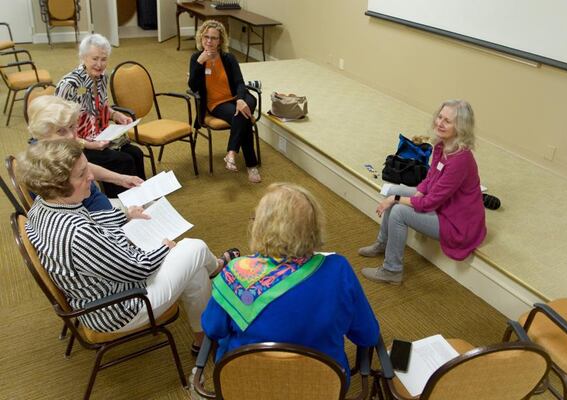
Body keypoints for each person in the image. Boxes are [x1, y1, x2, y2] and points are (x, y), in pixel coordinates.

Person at [17, 139, 237, 352]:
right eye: (83, 174)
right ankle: (216, 268)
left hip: (100, 288)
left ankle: (205, 338)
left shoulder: (43, 204)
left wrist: (125, 216)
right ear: (58, 185)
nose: (92, 176)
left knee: (194, 267)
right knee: (194, 247)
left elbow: (92, 223)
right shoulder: (77, 234)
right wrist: (165, 248)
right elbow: (137, 269)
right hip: (118, 308)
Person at [202, 183, 380, 383]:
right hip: (321, 387)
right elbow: (368, 335)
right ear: (314, 229)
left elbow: (212, 329)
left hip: (246, 385)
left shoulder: (235, 273)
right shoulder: (339, 270)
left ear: (261, 227)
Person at [360, 100, 486, 284]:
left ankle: (392, 270)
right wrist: (417, 193)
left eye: (447, 121)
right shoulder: (442, 146)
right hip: (444, 205)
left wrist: (397, 200)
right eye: (440, 117)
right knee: (394, 191)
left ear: (461, 127)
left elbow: (430, 203)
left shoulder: (461, 160)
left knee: (398, 210)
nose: (440, 123)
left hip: (457, 223)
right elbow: (429, 178)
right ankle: (383, 243)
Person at [56, 33, 146, 197]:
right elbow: (58, 131)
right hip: (78, 145)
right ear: (83, 57)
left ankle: (144, 198)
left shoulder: (102, 78)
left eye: (103, 59)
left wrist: (115, 114)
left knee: (136, 153)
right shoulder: (69, 85)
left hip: (101, 137)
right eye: (94, 59)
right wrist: (90, 145)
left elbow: (100, 107)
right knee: (122, 160)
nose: (99, 64)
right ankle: (123, 205)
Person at [27, 95, 142, 211]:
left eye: (72, 126)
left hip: (101, 205)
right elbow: (77, 218)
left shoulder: (56, 150)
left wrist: (121, 179)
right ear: (42, 135)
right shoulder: (44, 171)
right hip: (97, 218)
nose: (71, 135)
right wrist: (122, 217)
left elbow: (84, 167)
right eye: (61, 131)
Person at [188, 20, 261, 183]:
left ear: (220, 41)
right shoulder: (196, 58)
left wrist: (240, 100)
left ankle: (231, 153)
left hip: (236, 98)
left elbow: (240, 83)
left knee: (248, 103)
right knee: (243, 118)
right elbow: (193, 86)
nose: (209, 41)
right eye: (206, 37)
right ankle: (251, 165)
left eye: (214, 38)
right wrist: (200, 63)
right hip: (217, 104)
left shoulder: (228, 58)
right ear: (201, 38)